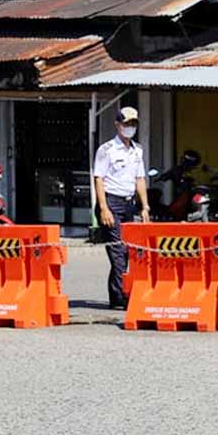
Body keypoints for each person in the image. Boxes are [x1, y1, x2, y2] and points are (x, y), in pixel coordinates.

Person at [93, 107, 150, 310]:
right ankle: (119, 297)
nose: (130, 128)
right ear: (117, 124)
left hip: (129, 204)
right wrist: (103, 208)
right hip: (111, 202)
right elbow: (98, 179)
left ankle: (119, 292)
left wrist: (144, 206)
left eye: (133, 124)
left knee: (128, 251)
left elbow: (140, 178)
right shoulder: (106, 150)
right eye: (126, 124)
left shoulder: (138, 150)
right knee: (117, 251)